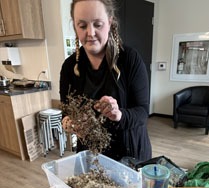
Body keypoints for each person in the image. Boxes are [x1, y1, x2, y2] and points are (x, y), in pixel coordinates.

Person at [60, 0, 152, 162]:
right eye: (82, 26)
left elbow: (142, 112)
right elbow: (66, 111)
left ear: (110, 22)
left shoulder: (130, 59)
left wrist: (119, 114)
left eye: (98, 24)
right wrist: (68, 123)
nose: (90, 32)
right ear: (75, 27)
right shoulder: (69, 67)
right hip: (90, 155)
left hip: (128, 154)